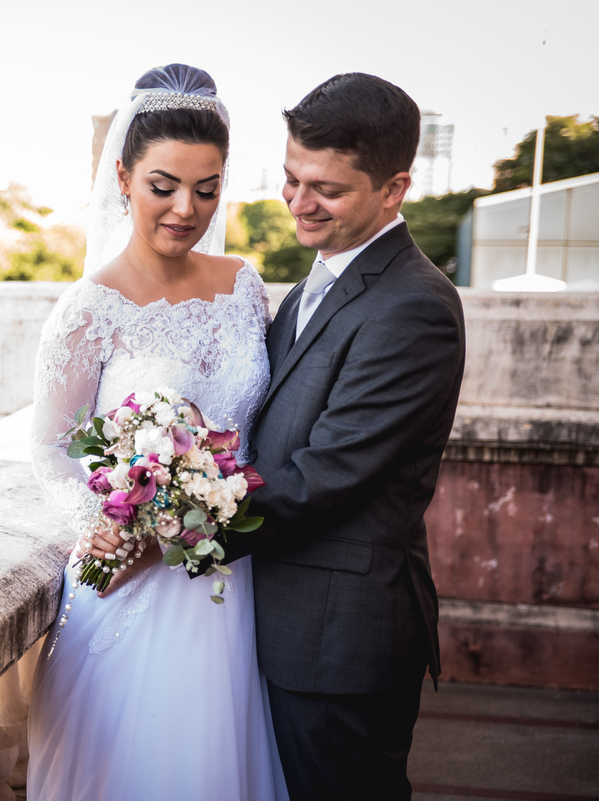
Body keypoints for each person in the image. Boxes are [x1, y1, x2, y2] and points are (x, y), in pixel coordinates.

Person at [93, 73, 467, 798]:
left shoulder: (413, 307)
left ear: (394, 189)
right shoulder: (318, 279)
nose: (298, 202)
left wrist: (168, 522)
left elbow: (326, 475)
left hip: (338, 640)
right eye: (292, 178)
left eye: (326, 188)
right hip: (273, 623)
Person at [27, 64, 286, 800]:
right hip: (131, 579)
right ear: (123, 177)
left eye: (207, 189)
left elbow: (256, 426)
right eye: (163, 186)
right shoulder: (90, 306)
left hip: (228, 579)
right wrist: (108, 523)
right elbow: (49, 447)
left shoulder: (243, 285)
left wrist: (212, 499)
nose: (185, 209)